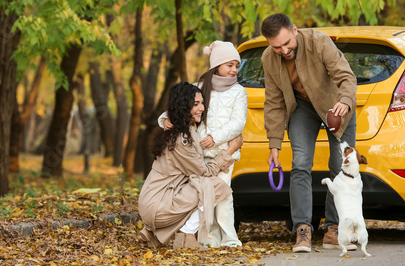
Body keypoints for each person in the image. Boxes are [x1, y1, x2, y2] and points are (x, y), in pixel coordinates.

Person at [260, 13, 358, 253]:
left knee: (341, 167)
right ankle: (302, 230)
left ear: (294, 30)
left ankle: (334, 229)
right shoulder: (268, 58)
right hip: (302, 108)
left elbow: (346, 76)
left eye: (286, 43)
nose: (283, 50)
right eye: (276, 47)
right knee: (301, 163)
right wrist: (274, 144)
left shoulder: (319, 41)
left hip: (335, 105)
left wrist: (345, 101)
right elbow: (273, 101)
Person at [159, 40, 248, 248]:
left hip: (224, 152)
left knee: (223, 197)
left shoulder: (239, 92)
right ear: (217, 65)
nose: (235, 69)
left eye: (237, 65)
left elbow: (238, 122)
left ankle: (229, 237)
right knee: (205, 196)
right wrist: (163, 119)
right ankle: (209, 237)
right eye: (230, 65)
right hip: (199, 154)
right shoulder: (200, 88)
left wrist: (215, 137)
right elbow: (181, 107)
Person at [138, 82, 244, 250]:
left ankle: (155, 233)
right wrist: (230, 150)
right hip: (159, 204)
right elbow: (205, 173)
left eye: (202, 103)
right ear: (183, 107)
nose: (202, 108)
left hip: (154, 201)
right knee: (214, 186)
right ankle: (187, 237)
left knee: (199, 187)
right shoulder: (182, 140)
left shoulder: (177, 130)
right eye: (195, 104)